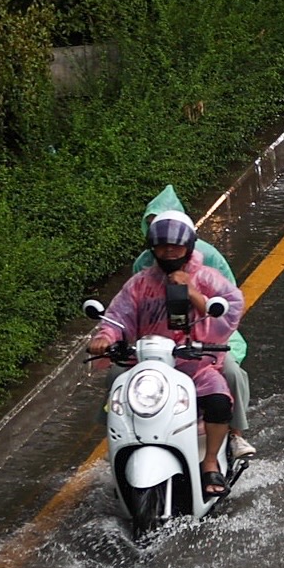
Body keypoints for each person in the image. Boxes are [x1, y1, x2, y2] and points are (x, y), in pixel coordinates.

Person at [90, 211, 246, 501]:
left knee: (218, 401)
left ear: (188, 246)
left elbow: (231, 308)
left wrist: (192, 292)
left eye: (175, 246)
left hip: (196, 366)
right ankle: (120, 458)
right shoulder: (138, 283)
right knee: (121, 402)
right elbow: (117, 317)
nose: (169, 252)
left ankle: (210, 460)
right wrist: (105, 338)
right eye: (162, 246)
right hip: (148, 366)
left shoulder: (208, 278)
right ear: (153, 248)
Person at [131, 186, 251, 462]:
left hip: (210, 335)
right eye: (154, 228)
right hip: (160, 340)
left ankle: (235, 434)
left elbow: (229, 302)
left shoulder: (208, 258)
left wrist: (195, 298)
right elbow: (132, 308)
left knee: (230, 373)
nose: (165, 243)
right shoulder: (143, 265)